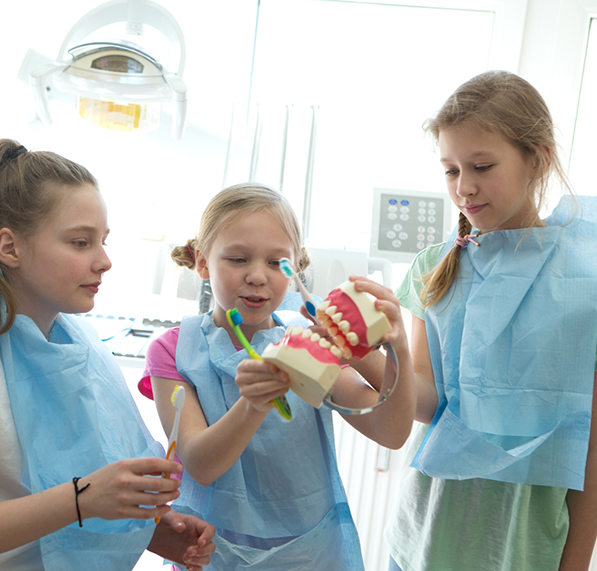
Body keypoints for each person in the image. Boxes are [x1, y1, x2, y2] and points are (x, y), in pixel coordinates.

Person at [0, 139, 216, 571]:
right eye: (81, 243)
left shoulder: (81, 345)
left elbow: (65, 496)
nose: (104, 262)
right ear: (9, 248)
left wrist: (157, 533)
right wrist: (84, 497)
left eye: (103, 242)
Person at [141, 183, 416, 570]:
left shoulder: (307, 343)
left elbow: (391, 431)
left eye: (276, 263)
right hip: (213, 552)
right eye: (237, 259)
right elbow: (201, 464)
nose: (257, 276)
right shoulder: (173, 352)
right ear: (202, 261)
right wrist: (253, 404)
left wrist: (397, 350)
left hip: (311, 552)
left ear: (296, 267)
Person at [385, 70, 597, 571]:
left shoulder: (584, 281)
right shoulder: (435, 268)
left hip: (523, 546)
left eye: (481, 165)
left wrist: (576, 561)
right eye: (451, 170)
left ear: (538, 159)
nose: (465, 187)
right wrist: (374, 356)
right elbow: (427, 402)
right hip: (426, 533)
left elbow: (591, 446)